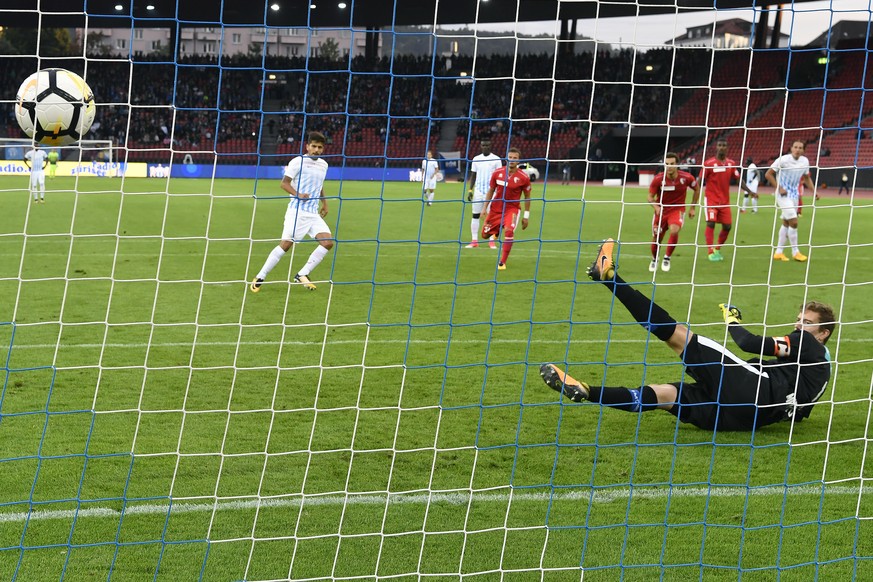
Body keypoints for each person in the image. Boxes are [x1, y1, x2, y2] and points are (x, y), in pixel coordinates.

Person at [541, 239, 835, 431]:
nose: (798, 326)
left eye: (806, 322)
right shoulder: (821, 371)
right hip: (746, 419)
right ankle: (587, 392)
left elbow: (749, 342)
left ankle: (609, 277)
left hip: (751, 387)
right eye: (798, 320)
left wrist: (732, 321)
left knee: (678, 336)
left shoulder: (808, 345)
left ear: (822, 334)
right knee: (666, 395)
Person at [250, 131, 333, 293]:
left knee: (328, 242)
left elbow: (319, 184)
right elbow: (284, 183)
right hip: (297, 212)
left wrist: (325, 203)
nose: (316, 150)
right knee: (286, 245)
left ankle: (302, 274)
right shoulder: (297, 162)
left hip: (313, 213)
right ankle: (260, 276)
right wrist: (298, 194)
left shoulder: (324, 165)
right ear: (307, 146)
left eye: (320, 147)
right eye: (314, 146)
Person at [697, 139, 753, 261]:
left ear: (727, 148)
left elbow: (738, 180)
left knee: (727, 226)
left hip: (724, 202)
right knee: (710, 222)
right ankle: (710, 251)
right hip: (711, 200)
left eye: (724, 146)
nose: (722, 147)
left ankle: (717, 248)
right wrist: (696, 190)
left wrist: (750, 191)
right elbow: (700, 180)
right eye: (720, 145)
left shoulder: (731, 164)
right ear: (716, 147)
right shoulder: (708, 163)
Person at [647, 152, 699, 273]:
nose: (669, 166)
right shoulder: (658, 179)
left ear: (677, 164)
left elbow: (697, 188)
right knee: (657, 238)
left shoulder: (686, 177)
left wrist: (692, 207)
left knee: (675, 229)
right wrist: (655, 206)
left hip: (677, 210)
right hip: (661, 212)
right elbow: (649, 197)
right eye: (667, 164)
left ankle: (667, 258)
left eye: (672, 164)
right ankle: (655, 259)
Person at [765, 140, 816, 262]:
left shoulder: (805, 161)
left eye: (800, 147)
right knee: (794, 221)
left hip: (794, 195)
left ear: (803, 150)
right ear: (791, 148)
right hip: (782, 195)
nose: (798, 149)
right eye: (795, 147)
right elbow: (768, 174)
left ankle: (778, 252)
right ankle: (795, 252)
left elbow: (807, 178)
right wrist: (779, 187)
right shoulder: (783, 160)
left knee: (786, 223)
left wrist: (814, 191)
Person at [481, 147, 532, 270]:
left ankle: (502, 262)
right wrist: (484, 208)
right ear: (506, 159)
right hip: (495, 210)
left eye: (515, 158)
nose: (512, 160)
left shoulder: (523, 178)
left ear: (519, 161)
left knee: (509, 231)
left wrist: (526, 217)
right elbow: (491, 190)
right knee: (484, 235)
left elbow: (527, 197)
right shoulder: (497, 173)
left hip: (512, 210)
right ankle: (497, 230)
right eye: (510, 157)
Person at [464, 139, 503, 249]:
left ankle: (491, 241)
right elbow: (473, 175)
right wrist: (470, 190)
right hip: (478, 192)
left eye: (487, 145)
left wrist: (499, 192)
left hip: (492, 192)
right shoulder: (476, 159)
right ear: (480, 146)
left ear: (491, 146)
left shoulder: (496, 159)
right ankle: (474, 240)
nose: (485, 147)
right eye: (483, 145)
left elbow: (499, 176)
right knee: (475, 215)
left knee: (492, 218)